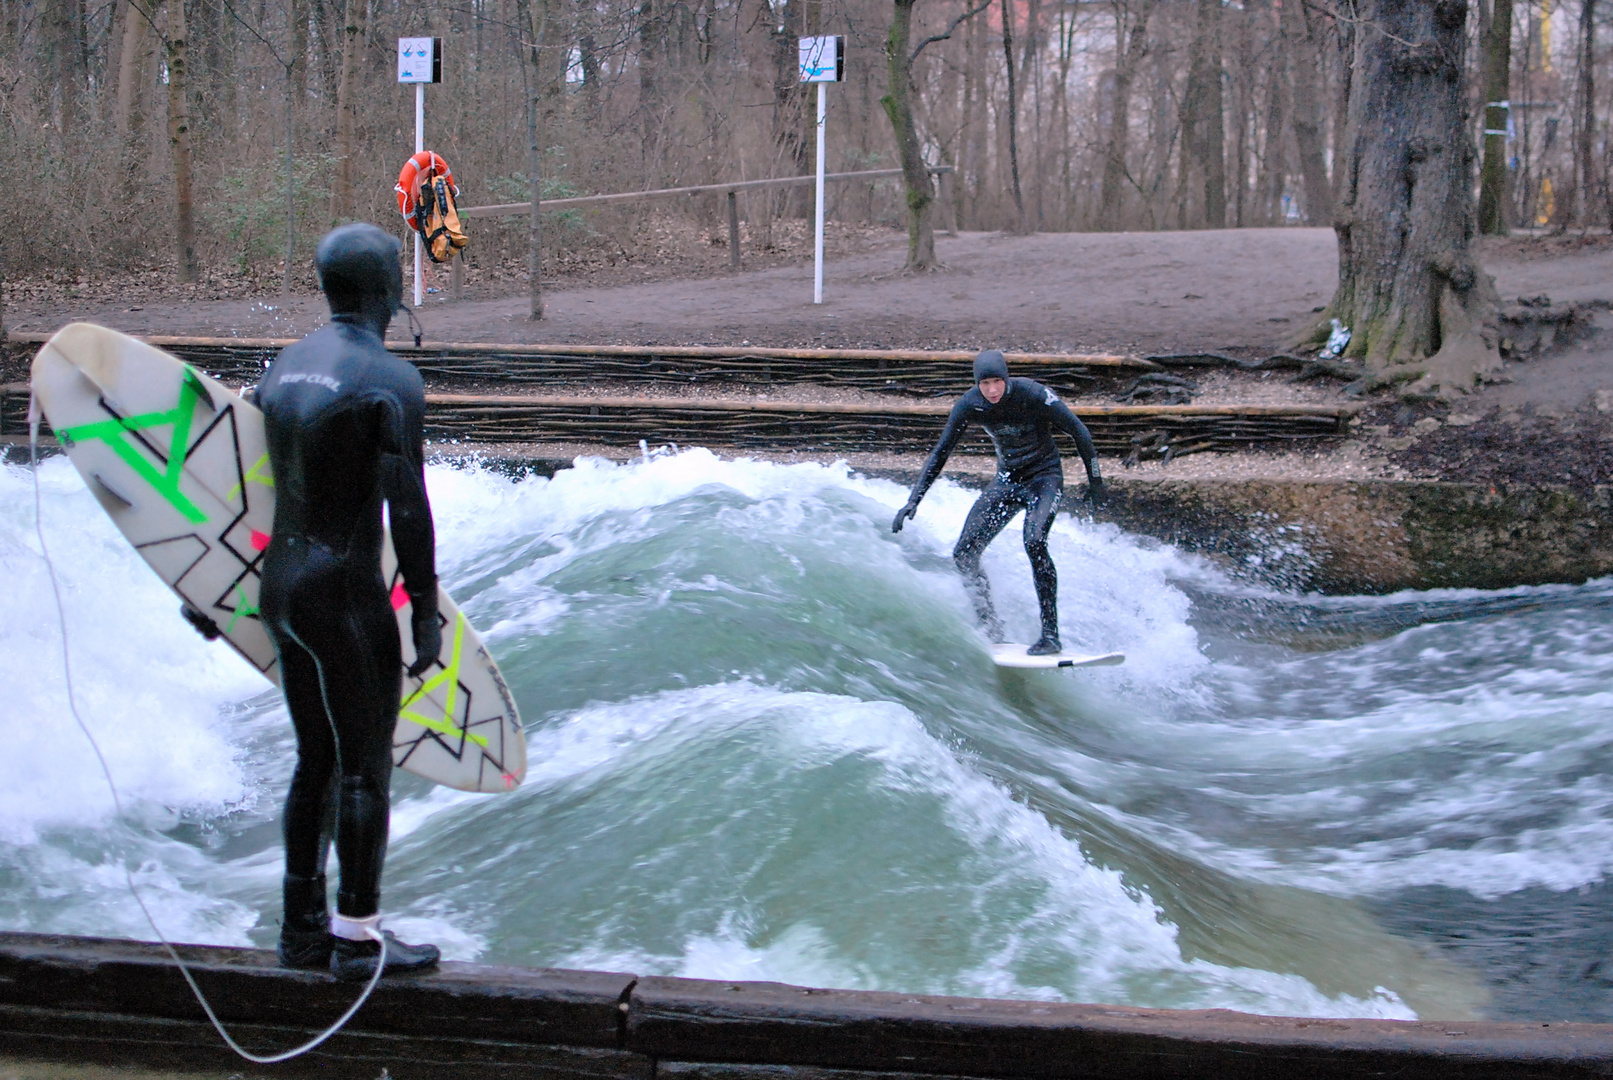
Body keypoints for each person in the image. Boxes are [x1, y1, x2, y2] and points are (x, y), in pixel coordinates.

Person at [187, 223, 444, 980]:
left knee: (315, 761)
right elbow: (409, 510)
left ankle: (300, 933)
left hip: (282, 595)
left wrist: (210, 588)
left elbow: (246, 488)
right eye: (397, 270)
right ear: (383, 288)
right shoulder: (390, 382)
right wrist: (422, 610)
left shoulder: (283, 369)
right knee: (365, 768)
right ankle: (360, 938)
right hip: (345, 598)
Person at [891, 349, 1105, 656]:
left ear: (1006, 378)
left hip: (1043, 478)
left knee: (1034, 541)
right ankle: (992, 628)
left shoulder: (1034, 394)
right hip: (1007, 481)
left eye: (996, 382)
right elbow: (941, 452)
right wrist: (914, 501)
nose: (992, 390)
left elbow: (1080, 432)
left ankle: (1051, 636)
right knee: (964, 553)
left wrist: (1095, 482)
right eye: (985, 383)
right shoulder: (970, 405)